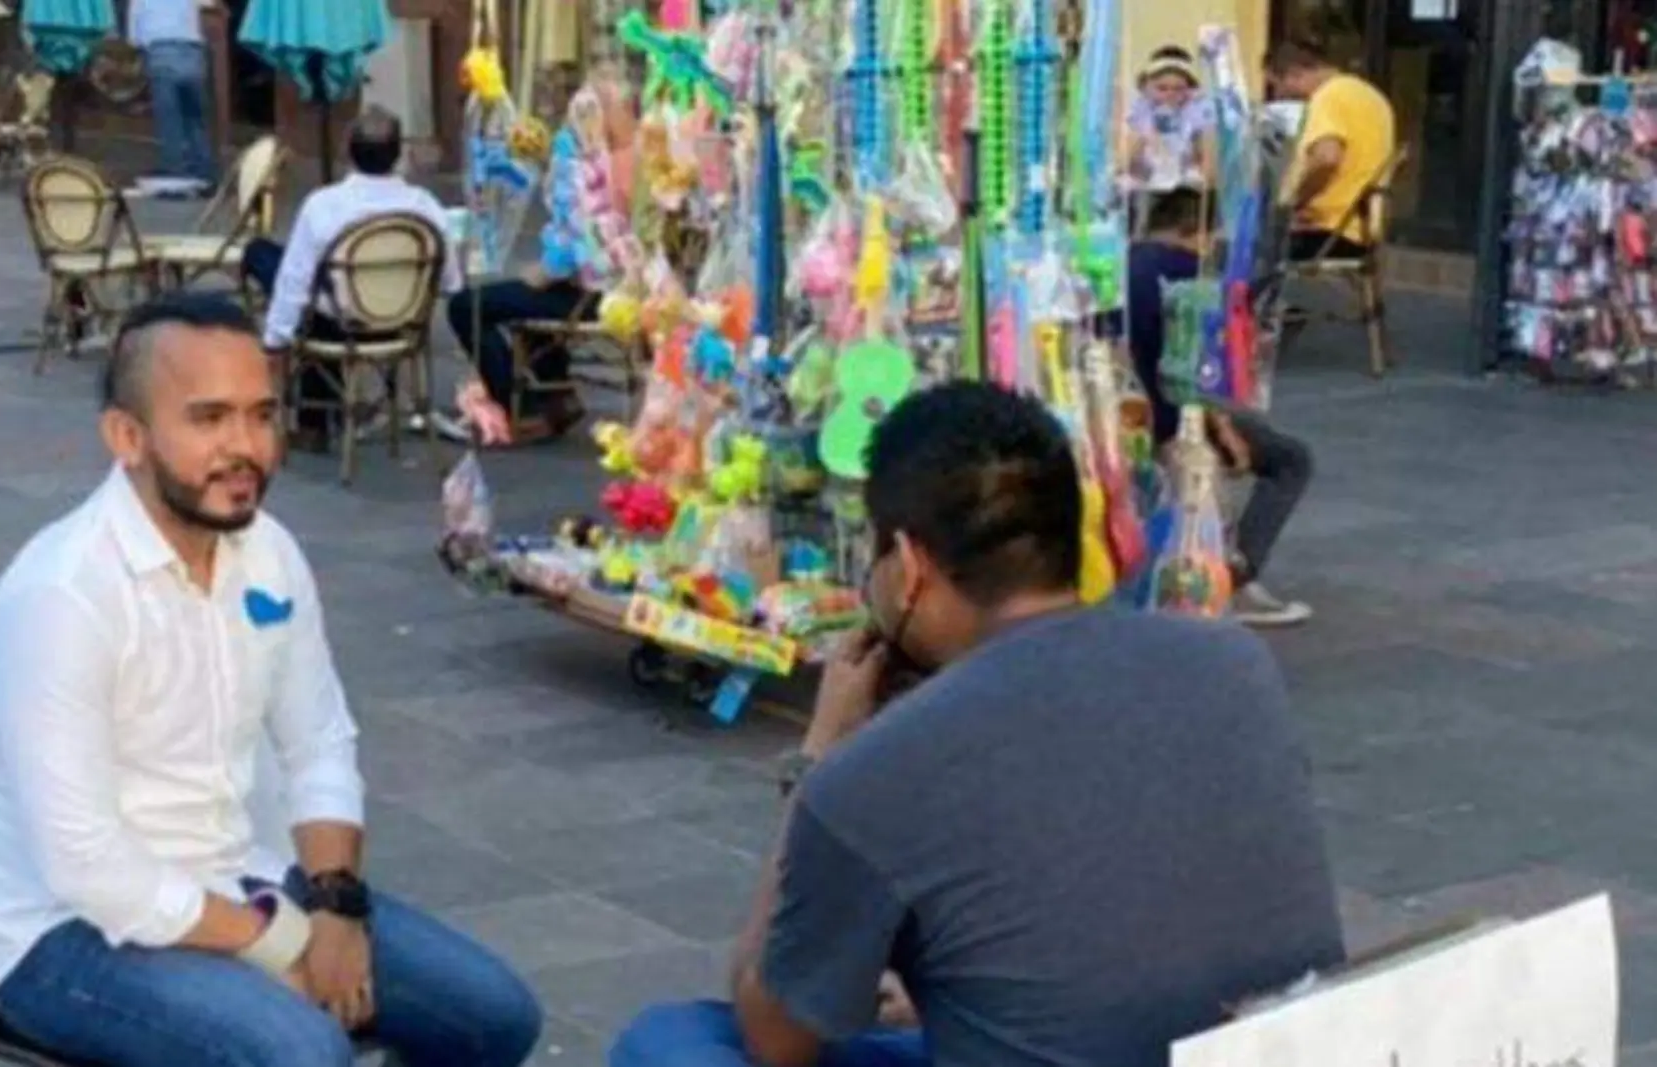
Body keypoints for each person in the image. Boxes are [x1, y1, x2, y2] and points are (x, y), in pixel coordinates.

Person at [610, 381, 1345, 1067]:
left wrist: (820, 759)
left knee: (669, 1040)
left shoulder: (876, 767)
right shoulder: (1231, 660)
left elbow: (774, 1032)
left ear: (908, 564)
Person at [0, 293, 540, 1067]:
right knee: (302, 1054)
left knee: (495, 1016)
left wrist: (334, 905)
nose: (246, 447)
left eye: (261, 414)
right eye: (208, 418)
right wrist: (279, 944)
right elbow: (89, 864)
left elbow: (318, 743)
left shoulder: (268, 552)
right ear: (127, 437)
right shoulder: (63, 598)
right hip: (67, 934)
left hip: (244, 877)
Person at [1127, 187, 1315, 627]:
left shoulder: (1122, 265)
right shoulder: (1187, 279)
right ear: (1196, 232)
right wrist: (1223, 426)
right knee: (1291, 460)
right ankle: (1237, 576)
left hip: (1133, 413)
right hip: (1175, 417)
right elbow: (1192, 375)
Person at [242, 106, 461, 451]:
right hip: (403, 321)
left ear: (349, 152)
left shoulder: (324, 205)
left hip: (340, 320)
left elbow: (293, 283)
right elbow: (451, 283)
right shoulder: (426, 207)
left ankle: (315, 422)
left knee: (269, 260)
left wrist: (275, 340)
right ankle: (325, 413)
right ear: (398, 154)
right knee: (315, 287)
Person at [441, 71, 637, 444]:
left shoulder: (590, 166)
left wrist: (544, 272)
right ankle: (554, 393)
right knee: (523, 296)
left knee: (468, 305)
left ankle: (527, 406)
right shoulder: (642, 157)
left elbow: (581, 242)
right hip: (628, 290)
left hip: (593, 293)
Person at [1267, 38, 1395, 261]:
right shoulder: (1371, 96)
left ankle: (1241, 297)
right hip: (1362, 227)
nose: (1278, 95)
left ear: (1295, 74)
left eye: (1278, 84)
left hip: (1329, 231)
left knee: (1249, 241)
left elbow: (1327, 158)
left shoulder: (1328, 97)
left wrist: (1296, 202)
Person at [130, 0, 216, 194]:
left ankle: (175, 168)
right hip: (192, 51)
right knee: (195, 116)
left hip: (161, 50)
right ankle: (203, 169)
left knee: (169, 116)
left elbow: (134, 35)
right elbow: (209, 3)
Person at [1126, 46, 1213, 191]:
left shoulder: (1197, 113)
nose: (1170, 94)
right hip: (1145, 185)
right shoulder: (1138, 111)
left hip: (1185, 187)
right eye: (1162, 88)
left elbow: (1206, 159)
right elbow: (1126, 159)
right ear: (1147, 88)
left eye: (1178, 89)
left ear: (1189, 90)